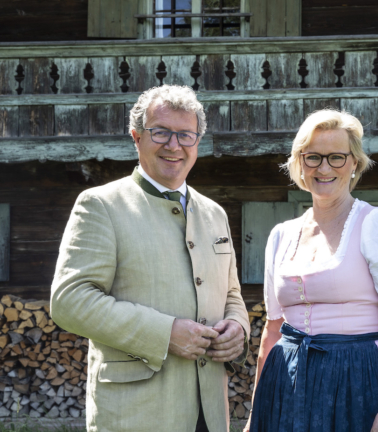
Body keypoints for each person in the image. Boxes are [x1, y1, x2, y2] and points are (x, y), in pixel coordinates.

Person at [50, 85, 250, 432]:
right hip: (135, 414)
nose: (174, 145)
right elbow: (69, 300)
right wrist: (165, 332)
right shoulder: (101, 205)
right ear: (136, 137)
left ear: (197, 142)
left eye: (185, 135)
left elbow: (231, 294)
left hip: (211, 413)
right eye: (161, 132)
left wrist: (239, 328)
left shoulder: (215, 213)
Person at [246, 110, 378, 432]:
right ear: (300, 162)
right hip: (287, 383)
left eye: (337, 157)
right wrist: (256, 414)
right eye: (313, 157)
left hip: (359, 379)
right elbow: (272, 331)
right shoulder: (282, 235)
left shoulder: (377, 225)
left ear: (354, 163)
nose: (324, 168)